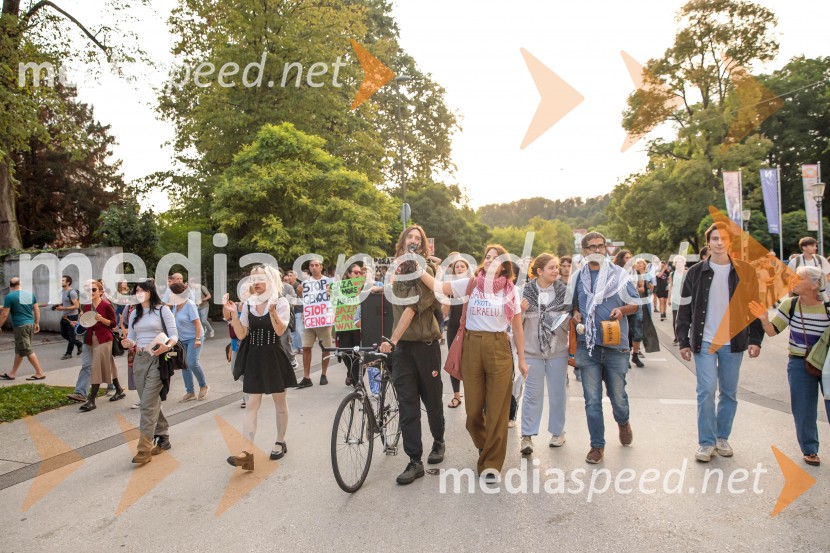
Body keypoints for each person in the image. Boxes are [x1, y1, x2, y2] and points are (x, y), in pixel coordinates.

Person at [419, 243, 527, 482]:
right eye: (487, 257)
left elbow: (518, 328)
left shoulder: (511, 291)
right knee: (473, 412)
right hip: (472, 346)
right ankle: (485, 444)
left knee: (497, 410)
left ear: (504, 266)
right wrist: (418, 270)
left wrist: (522, 359)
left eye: (495, 258)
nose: (489, 260)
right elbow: (439, 287)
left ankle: (491, 465)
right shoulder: (470, 284)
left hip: (499, 347)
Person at [676, 222, 763, 462]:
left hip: (734, 341)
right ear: (708, 242)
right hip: (704, 341)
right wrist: (683, 340)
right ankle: (706, 442)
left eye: (724, 238)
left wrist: (756, 339)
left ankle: (722, 437)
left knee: (728, 392)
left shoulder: (745, 271)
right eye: (715, 238)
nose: (719, 242)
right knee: (706, 391)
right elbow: (684, 309)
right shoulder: (695, 272)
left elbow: (755, 307)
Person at [379, 225, 446, 485]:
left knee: (432, 400)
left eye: (418, 238)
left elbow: (411, 308)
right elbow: (391, 297)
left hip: (425, 345)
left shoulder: (425, 270)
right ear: (403, 241)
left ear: (423, 245)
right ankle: (414, 460)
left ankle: (438, 440)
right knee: (407, 404)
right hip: (403, 350)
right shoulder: (395, 270)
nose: (414, 240)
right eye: (410, 236)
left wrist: (392, 339)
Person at [750, 266, 830, 467]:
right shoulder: (790, 305)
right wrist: (764, 319)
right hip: (799, 363)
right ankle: (810, 449)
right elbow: (773, 331)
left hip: (827, 364)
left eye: (799, 278)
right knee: (803, 408)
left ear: (814, 284)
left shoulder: (828, 306)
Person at [571, 232, 639, 464]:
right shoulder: (578, 277)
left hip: (616, 346)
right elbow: (573, 306)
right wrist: (575, 313)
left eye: (601, 246)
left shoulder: (619, 275)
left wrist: (622, 310)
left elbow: (635, 304)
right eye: (592, 247)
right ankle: (597, 445)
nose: (598, 250)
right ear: (584, 251)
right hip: (587, 346)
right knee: (592, 400)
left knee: (617, 397)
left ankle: (623, 421)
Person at [224, 265, 296, 471]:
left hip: (274, 355)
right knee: (251, 404)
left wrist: (272, 311)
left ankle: (280, 441)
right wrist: (234, 315)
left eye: (260, 278)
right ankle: (247, 452)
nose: (255, 282)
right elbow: (241, 334)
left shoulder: (280, 302)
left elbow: (280, 330)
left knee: (279, 402)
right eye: (253, 279)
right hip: (254, 357)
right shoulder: (248, 304)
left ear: (270, 280)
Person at [121, 280, 179, 465]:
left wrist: (167, 346)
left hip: (158, 360)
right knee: (150, 402)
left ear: (150, 292)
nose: (138, 293)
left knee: (146, 405)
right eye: (136, 290)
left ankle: (144, 450)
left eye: (142, 290)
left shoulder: (163, 310)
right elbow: (132, 337)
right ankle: (163, 437)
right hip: (139, 360)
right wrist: (128, 343)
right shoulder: (134, 313)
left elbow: (174, 335)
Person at [520, 254, 570, 454]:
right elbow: (515, 323)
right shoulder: (525, 292)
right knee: (532, 395)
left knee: (558, 394)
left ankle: (558, 433)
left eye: (557, 267)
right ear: (539, 271)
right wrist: (520, 311)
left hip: (558, 350)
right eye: (551, 267)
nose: (556, 271)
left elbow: (570, 320)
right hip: (531, 351)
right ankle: (527, 436)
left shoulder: (564, 293)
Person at [78, 280, 125, 411]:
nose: (91, 292)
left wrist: (101, 319)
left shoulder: (106, 305)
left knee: (96, 367)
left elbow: (113, 324)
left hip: (104, 339)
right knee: (109, 364)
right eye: (88, 290)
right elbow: (86, 324)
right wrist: (80, 322)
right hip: (91, 339)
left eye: (94, 290)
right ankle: (119, 390)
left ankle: (91, 400)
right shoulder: (86, 306)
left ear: (101, 292)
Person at [0, 277, 46, 380]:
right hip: (30, 324)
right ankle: (12, 373)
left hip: (20, 326)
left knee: (27, 350)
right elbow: (37, 310)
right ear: (21, 284)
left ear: (10, 285)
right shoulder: (30, 295)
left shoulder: (10, 296)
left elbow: (4, 314)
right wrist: (37, 323)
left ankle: (40, 372)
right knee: (19, 351)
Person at [297, 258, 334, 388]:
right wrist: (300, 292)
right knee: (306, 347)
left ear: (321, 267)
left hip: (323, 320)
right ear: (309, 268)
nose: (314, 267)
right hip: (310, 320)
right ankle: (306, 377)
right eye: (311, 265)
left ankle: (324, 374)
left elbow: (335, 299)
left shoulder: (328, 282)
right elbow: (304, 300)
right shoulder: (305, 283)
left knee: (326, 348)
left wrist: (330, 293)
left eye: (316, 265)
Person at [169, 282, 208, 402]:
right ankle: (190, 392)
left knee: (192, 362)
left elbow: (197, 322)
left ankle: (203, 386)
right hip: (182, 339)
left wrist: (197, 339)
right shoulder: (175, 305)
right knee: (184, 365)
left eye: (171, 293)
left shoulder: (189, 304)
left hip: (194, 337)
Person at [443, 254, 470, 408]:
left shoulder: (472, 285)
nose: (459, 268)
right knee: (454, 359)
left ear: (467, 269)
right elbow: (444, 312)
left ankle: (473, 396)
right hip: (453, 326)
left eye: (462, 266)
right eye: (457, 266)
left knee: (470, 361)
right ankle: (456, 396)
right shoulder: (451, 287)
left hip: (469, 327)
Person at [337, 263, 364, 386]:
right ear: (349, 274)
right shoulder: (340, 288)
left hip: (358, 325)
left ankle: (356, 379)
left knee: (359, 352)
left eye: (360, 272)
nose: (358, 274)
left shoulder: (365, 286)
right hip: (345, 325)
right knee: (345, 351)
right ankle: (351, 372)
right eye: (355, 272)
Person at [53, 275, 82, 360]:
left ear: (68, 282)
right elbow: (65, 303)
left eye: (63, 280)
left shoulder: (72, 292)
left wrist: (63, 308)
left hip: (72, 316)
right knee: (63, 334)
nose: (61, 282)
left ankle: (68, 353)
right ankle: (79, 344)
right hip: (65, 316)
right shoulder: (62, 291)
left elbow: (76, 306)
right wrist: (57, 306)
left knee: (71, 335)